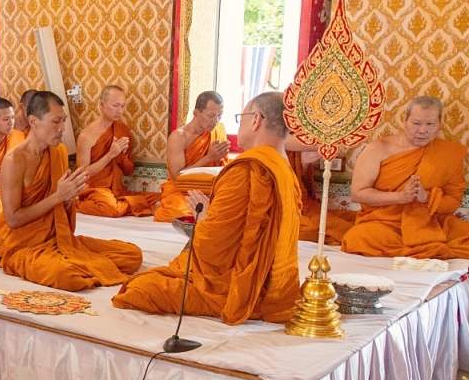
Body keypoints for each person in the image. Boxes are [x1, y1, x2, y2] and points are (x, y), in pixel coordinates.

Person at [113, 92, 301, 325]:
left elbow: (213, 248)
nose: (235, 125)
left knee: (138, 288)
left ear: (256, 120)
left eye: (240, 118)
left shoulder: (247, 169)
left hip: (237, 288)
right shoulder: (283, 168)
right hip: (276, 287)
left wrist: (204, 217)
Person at [1, 92, 143, 291]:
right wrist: (58, 197)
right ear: (33, 121)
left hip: (60, 239)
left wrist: (68, 199)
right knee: (67, 276)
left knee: (132, 255)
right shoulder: (14, 160)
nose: (62, 128)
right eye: (55, 121)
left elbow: (61, 210)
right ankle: (82, 266)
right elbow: (13, 219)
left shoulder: (58, 151)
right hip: (25, 246)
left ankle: (81, 264)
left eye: (64, 121)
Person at [341, 96, 469, 264]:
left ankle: (419, 251)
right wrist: (400, 197)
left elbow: (453, 200)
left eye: (430, 124)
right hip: (384, 224)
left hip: (427, 225)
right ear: (405, 120)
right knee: (357, 238)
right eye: (416, 123)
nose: (423, 130)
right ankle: (424, 253)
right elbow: (358, 194)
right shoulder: (379, 148)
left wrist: (427, 198)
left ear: (440, 123)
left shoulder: (449, 154)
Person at [74, 85, 159, 218]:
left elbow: (128, 171)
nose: (120, 111)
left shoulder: (122, 130)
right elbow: (83, 174)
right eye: (115, 105)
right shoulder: (87, 136)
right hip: (94, 190)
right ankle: (75, 204)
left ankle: (129, 204)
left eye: (123, 106)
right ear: (102, 104)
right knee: (110, 208)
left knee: (162, 197)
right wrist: (110, 155)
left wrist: (122, 156)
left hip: (117, 191)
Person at [153, 90, 231, 222]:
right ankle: (159, 207)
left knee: (228, 210)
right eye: (211, 116)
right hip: (183, 190)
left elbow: (222, 165)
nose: (216, 121)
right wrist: (208, 158)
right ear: (196, 113)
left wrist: (218, 159)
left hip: (209, 189)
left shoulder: (219, 130)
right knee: (182, 213)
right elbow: (177, 176)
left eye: (220, 115)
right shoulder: (179, 137)